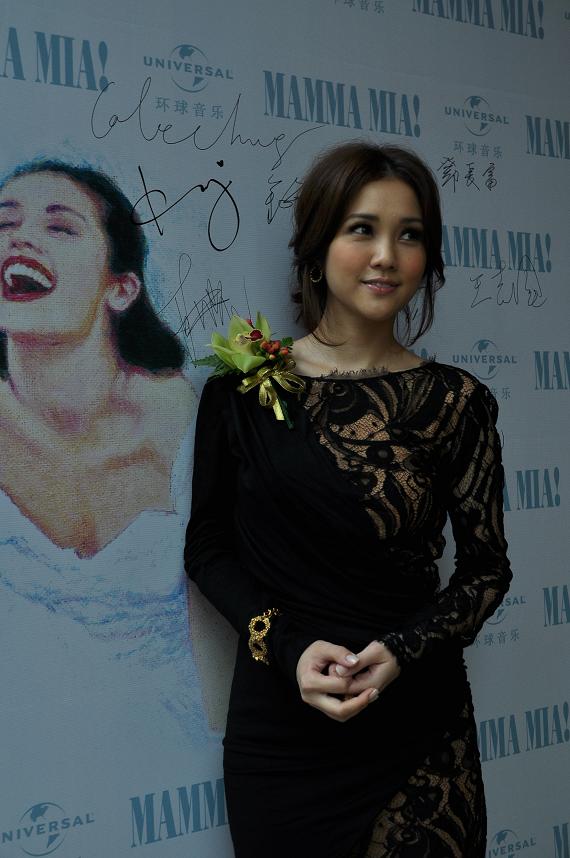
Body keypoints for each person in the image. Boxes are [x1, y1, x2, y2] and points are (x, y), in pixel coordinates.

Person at [184, 141, 512, 857]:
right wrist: (289, 648)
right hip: (280, 735)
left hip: (418, 729)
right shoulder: (239, 393)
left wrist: (400, 651)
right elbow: (207, 549)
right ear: (317, 246)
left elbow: (487, 571)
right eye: (362, 229)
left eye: (410, 235)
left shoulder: (456, 401)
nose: (387, 256)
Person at [0, 160, 195, 557]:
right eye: (4, 224)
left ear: (120, 290)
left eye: (60, 228)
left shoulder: (176, 419)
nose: (19, 238)